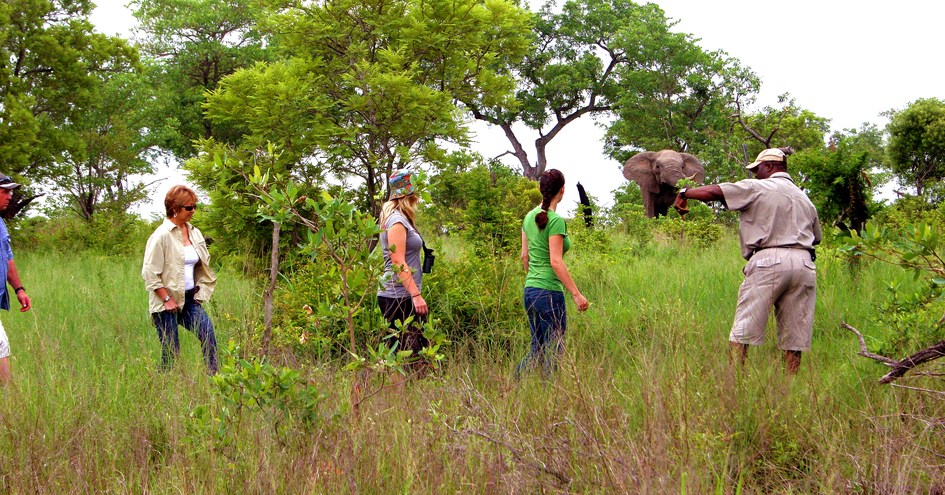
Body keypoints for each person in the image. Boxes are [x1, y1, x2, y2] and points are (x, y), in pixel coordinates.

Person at [673, 148, 822, 373]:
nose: (755, 173)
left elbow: (716, 191)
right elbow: (816, 237)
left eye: (757, 168)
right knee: (795, 336)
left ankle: (734, 383)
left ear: (770, 166)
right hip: (804, 264)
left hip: (768, 260)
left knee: (744, 329)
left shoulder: (757, 187)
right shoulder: (804, 198)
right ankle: (791, 386)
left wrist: (685, 192)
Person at [517, 169, 589, 377]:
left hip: (530, 290)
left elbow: (524, 256)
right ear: (562, 190)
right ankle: (552, 394)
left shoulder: (529, 217)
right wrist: (576, 293)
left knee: (537, 349)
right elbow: (556, 262)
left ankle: (515, 383)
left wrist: (534, 278)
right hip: (549, 292)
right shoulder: (555, 220)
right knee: (554, 351)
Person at [142, 185, 219, 373]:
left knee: (208, 335)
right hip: (166, 302)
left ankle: (216, 382)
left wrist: (200, 292)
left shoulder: (195, 233)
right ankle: (160, 387)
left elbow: (203, 267)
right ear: (175, 208)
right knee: (171, 352)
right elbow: (149, 273)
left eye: (195, 207)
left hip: (190, 299)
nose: (193, 211)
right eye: (188, 207)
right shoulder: (160, 236)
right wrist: (166, 299)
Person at [377, 169, 429, 368]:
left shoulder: (399, 218)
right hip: (398, 296)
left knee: (413, 356)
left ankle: (404, 398)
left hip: (402, 294)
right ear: (410, 195)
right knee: (402, 357)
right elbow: (398, 261)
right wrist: (416, 295)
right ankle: (395, 397)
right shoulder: (397, 220)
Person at [0, 173, 31, 384]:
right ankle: (9, 396)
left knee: (2, 346)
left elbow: (7, 257)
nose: (10, 196)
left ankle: (8, 399)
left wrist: (19, 289)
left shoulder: (0, 223)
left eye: (11, 191)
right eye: (4, 191)